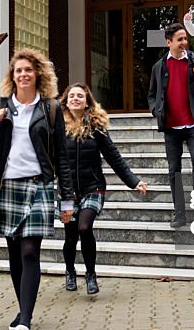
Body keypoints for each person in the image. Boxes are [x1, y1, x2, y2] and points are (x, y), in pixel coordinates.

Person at [0, 48, 74, 330]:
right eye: (18, 70)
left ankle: (25, 321)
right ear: (12, 76)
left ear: (38, 75)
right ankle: (24, 310)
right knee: (14, 255)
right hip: (7, 187)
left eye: (28, 70)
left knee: (31, 252)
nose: (23, 75)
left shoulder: (50, 109)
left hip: (40, 186)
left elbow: (61, 155)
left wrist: (67, 199)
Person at [60, 83, 148, 296]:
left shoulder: (96, 127)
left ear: (87, 101)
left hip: (93, 187)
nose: (75, 99)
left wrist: (133, 181)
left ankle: (91, 275)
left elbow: (113, 156)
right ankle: (70, 271)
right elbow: (41, 153)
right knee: (70, 236)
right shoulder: (58, 128)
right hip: (66, 191)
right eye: (72, 96)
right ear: (66, 101)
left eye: (80, 96)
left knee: (84, 228)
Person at [147, 22, 194, 228]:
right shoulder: (159, 67)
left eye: (186, 39)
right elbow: (152, 95)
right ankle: (179, 213)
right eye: (180, 40)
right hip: (171, 127)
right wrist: (156, 111)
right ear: (169, 42)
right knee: (173, 169)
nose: (184, 42)